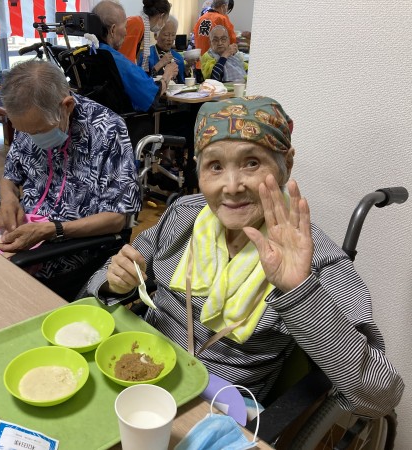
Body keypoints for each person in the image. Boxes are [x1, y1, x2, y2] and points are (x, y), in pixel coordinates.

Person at [85, 96, 404, 416]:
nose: (232, 186)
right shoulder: (183, 215)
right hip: (141, 365)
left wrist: (300, 292)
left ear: (286, 164)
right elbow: (104, 280)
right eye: (215, 166)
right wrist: (117, 282)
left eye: (251, 163)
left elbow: (380, 395)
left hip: (216, 408)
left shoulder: (316, 260)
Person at [0, 60, 141, 300]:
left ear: (67, 106)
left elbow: (117, 219)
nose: (31, 137)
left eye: (38, 131)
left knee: (4, 293)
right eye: (25, 131)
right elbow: (10, 175)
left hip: (77, 249)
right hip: (28, 239)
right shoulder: (30, 118)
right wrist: (8, 199)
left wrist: (52, 230)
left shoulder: (107, 129)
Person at [92, 0, 178, 112]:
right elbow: (149, 95)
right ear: (113, 30)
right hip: (125, 115)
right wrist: (168, 74)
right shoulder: (116, 57)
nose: (126, 33)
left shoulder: (94, 51)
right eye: (125, 27)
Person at [118, 0, 172, 68]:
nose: (163, 24)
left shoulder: (139, 23)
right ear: (161, 15)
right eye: (165, 20)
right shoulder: (137, 24)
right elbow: (125, 60)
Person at [138, 15, 186, 84]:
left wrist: (187, 69)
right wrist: (160, 64)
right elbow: (141, 82)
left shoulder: (178, 58)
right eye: (166, 35)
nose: (170, 39)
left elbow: (183, 84)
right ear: (155, 35)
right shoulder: (146, 56)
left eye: (173, 35)